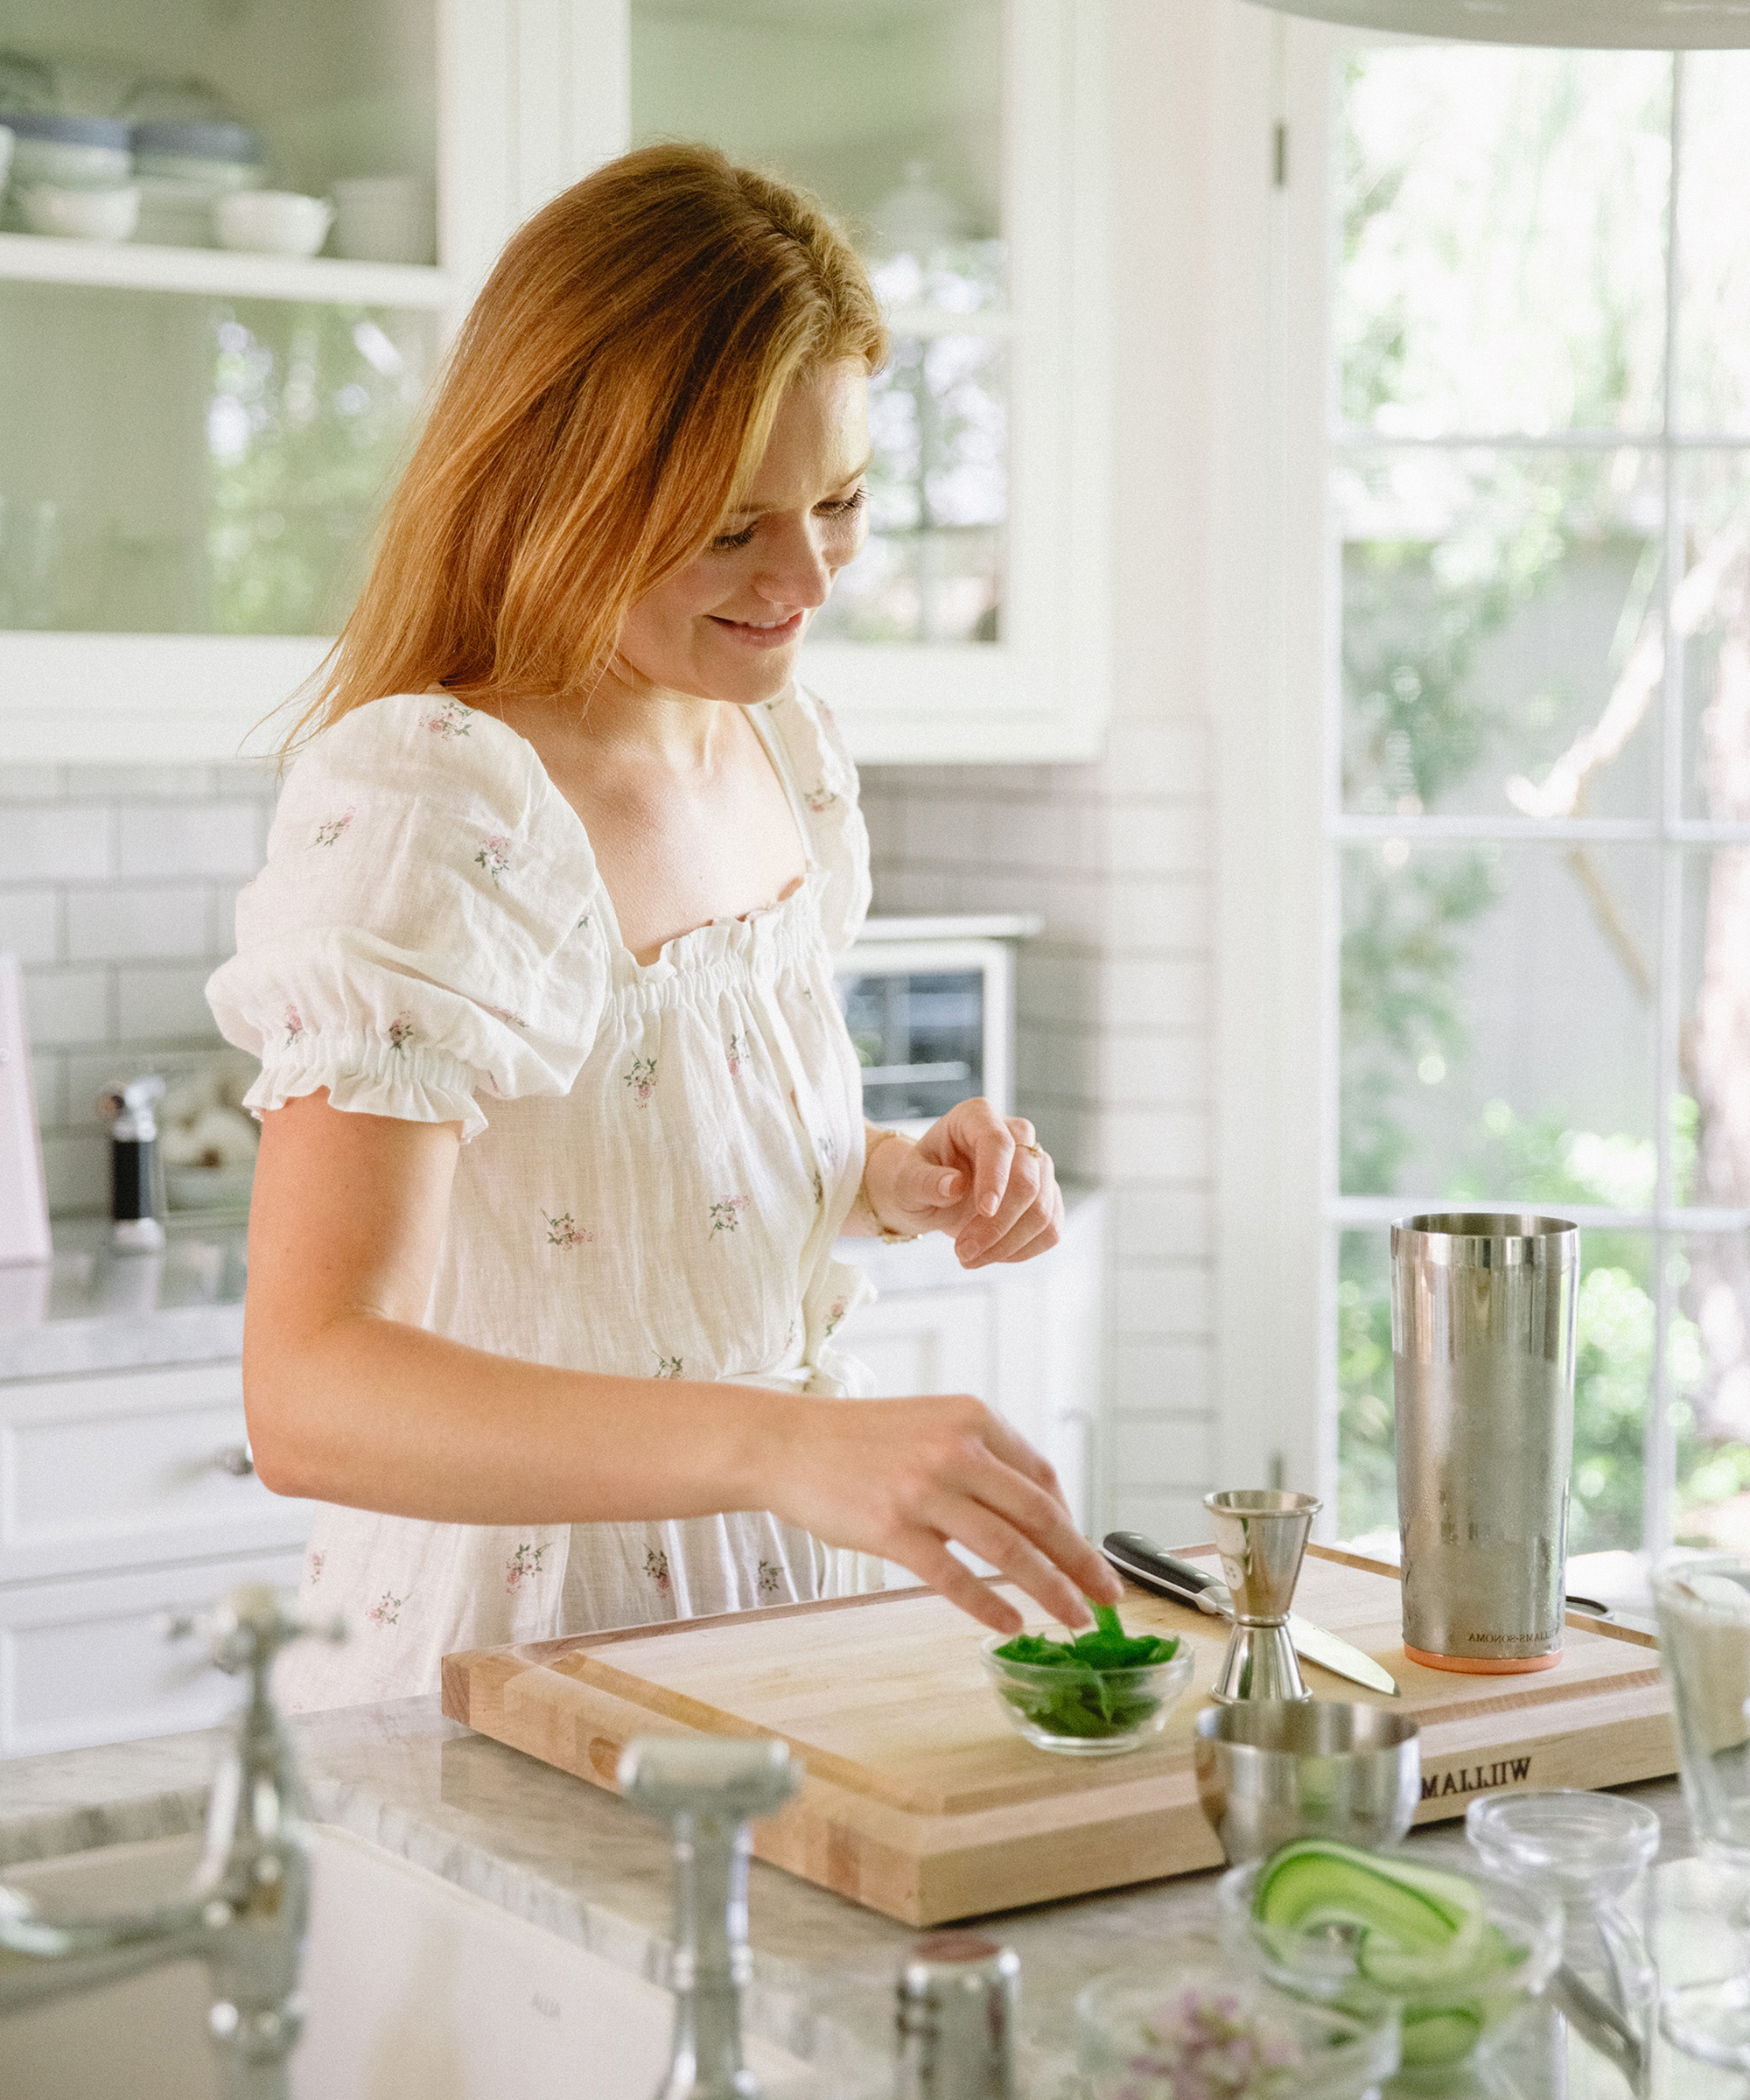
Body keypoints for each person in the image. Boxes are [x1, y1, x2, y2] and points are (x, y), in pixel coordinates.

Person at [207, 143, 1121, 1710]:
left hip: (769, 1598)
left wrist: (893, 1179)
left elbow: (640, 1181)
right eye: (730, 527)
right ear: (556, 490)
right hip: (522, 1632)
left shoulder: (776, 749)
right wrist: (780, 1442)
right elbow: (310, 1393)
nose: (808, 576)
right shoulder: (442, 799)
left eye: (839, 503)